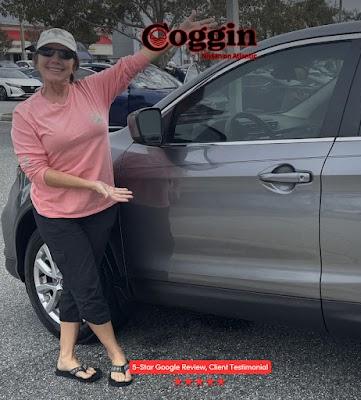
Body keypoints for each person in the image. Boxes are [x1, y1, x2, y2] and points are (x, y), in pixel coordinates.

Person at [11, 11, 215, 387]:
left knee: (76, 281)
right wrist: (93, 184)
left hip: (99, 209)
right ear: (36, 59)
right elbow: (37, 171)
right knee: (88, 284)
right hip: (57, 214)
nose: (56, 59)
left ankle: (66, 357)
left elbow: (135, 61)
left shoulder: (94, 90)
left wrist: (172, 36)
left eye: (64, 54)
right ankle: (116, 353)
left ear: (75, 63)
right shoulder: (27, 114)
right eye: (48, 53)